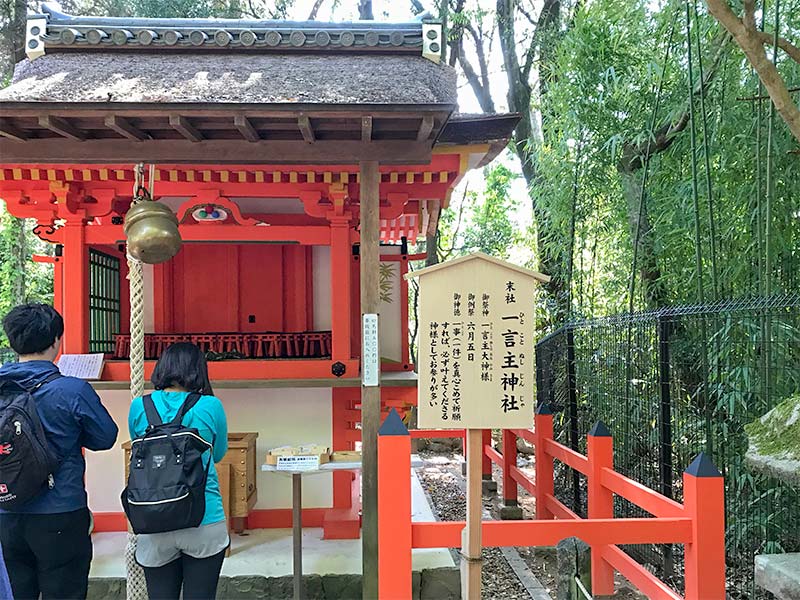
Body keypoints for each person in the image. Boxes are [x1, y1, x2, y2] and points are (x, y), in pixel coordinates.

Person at [0, 304, 118, 600]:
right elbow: (105, 437)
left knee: (15, 592)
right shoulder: (71, 390)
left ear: (12, 342)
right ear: (56, 340)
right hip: (60, 508)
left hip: (5, 509)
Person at [128, 342, 228, 600]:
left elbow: (141, 451)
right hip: (203, 516)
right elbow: (217, 455)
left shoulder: (140, 407)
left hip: (152, 517)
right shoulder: (210, 406)